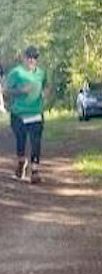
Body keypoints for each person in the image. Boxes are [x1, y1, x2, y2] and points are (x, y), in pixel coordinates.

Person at [5, 46, 47, 183]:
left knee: (36, 142)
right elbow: (6, 91)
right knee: (21, 141)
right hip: (19, 114)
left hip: (36, 113)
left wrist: (45, 94)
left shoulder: (41, 73)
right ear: (24, 58)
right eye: (29, 57)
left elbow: (45, 86)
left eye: (34, 57)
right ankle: (21, 162)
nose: (31, 60)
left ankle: (35, 171)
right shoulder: (16, 73)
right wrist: (21, 91)